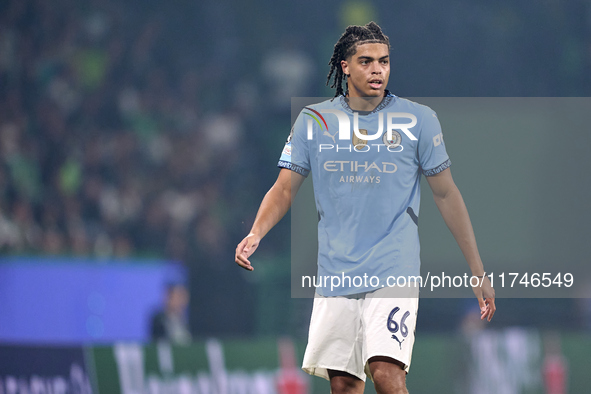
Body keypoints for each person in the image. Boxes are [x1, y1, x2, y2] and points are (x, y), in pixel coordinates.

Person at [236, 22, 495, 394]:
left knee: (387, 375)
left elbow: (446, 195)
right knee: (343, 385)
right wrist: (256, 231)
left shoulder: (418, 120)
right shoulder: (314, 121)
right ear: (344, 66)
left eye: (384, 61)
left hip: (394, 268)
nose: (378, 70)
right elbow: (283, 189)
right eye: (366, 61)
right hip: (336, 274)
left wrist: (477, 269)